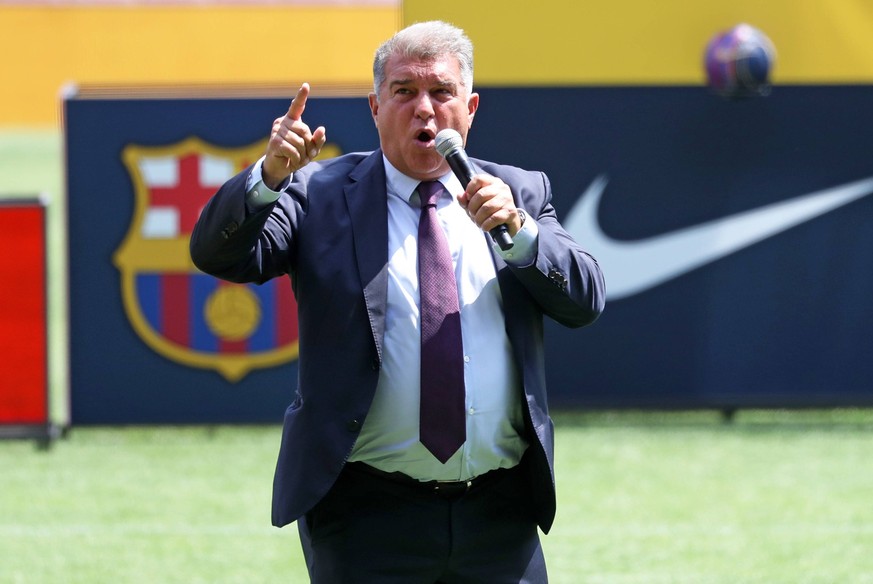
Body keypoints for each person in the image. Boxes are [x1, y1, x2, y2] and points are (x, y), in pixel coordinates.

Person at [190, 19, 605, 584]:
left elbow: (584, 299)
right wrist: (267, 177)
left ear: (472, 107)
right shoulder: (317, 193)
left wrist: (520, 230)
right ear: (375, 107)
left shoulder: (521, 192)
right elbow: (220, 255)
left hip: (500, 515)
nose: (425, 110)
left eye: (442, 92)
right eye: (404, 92)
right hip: (365, 515)